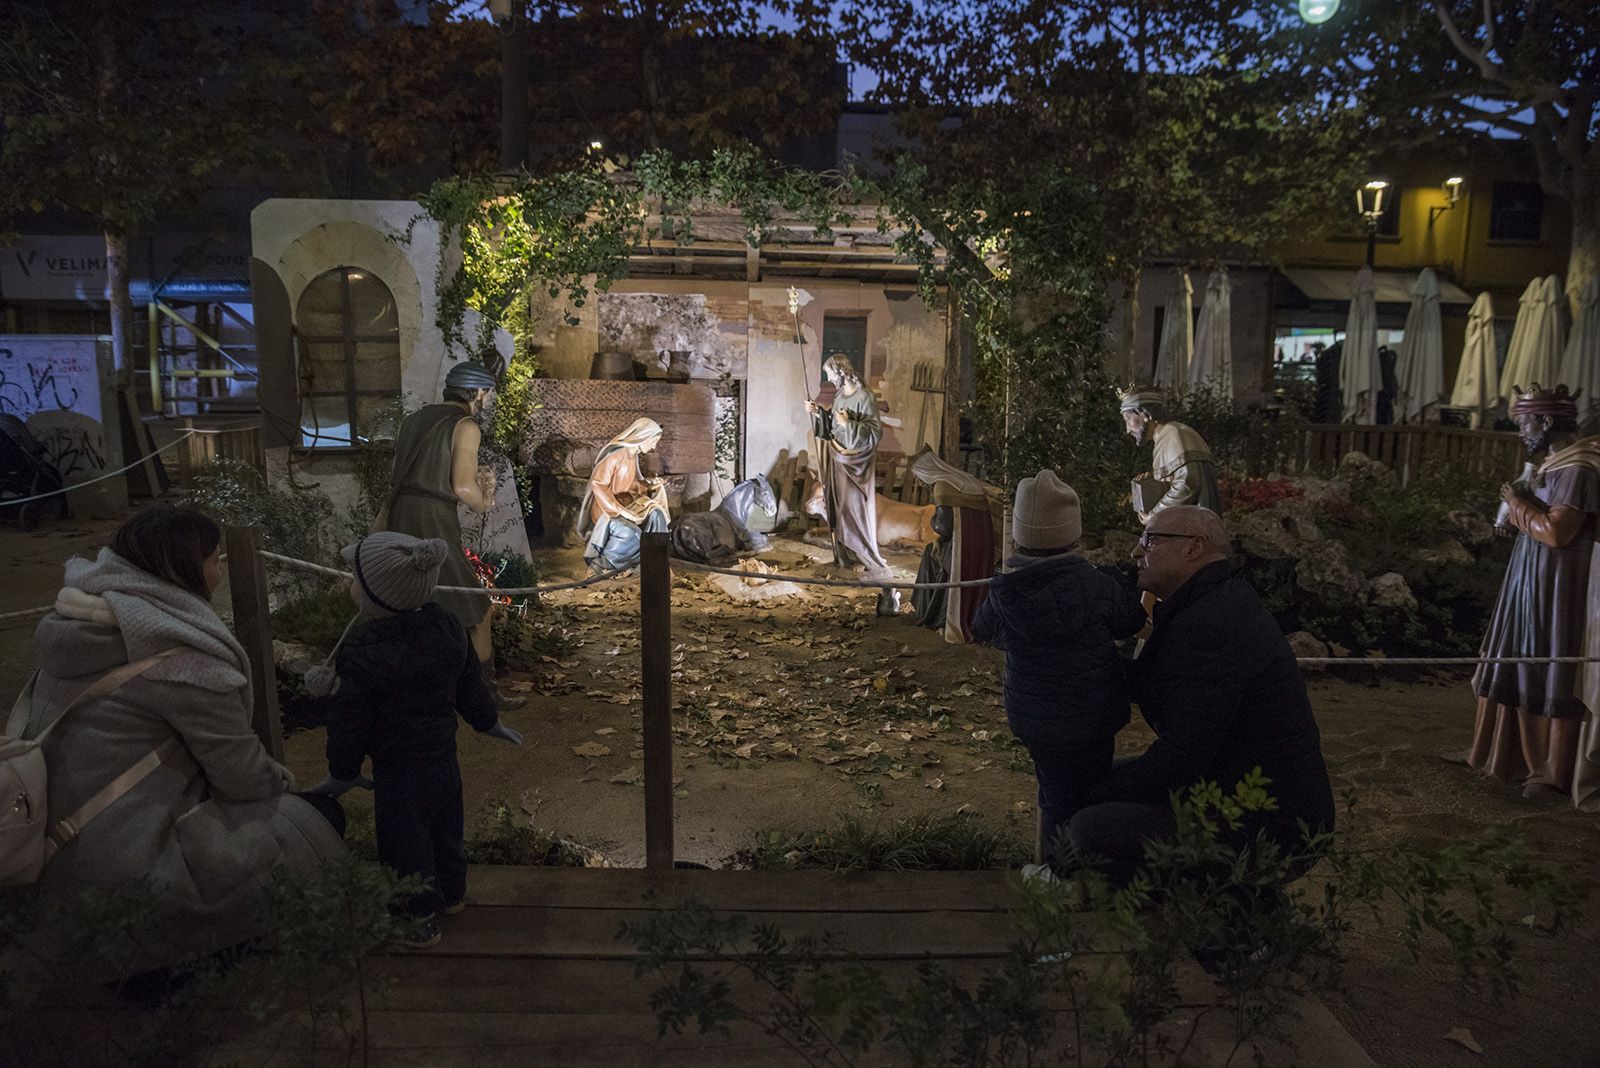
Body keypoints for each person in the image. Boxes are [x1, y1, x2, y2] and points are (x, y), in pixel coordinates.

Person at [10, 506, 347, 979]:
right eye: (212, 559)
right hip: (130, 869)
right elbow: (245, 779)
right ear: (180, 569)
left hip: (46, 856)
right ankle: (180, 959)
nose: (220, 569)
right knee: (317, 817)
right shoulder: (179, 659)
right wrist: (287, 783)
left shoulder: (74, 628)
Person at [1069, 506, 1335, 888]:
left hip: (1270, 825)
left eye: (1149, 539)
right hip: (1232, 789)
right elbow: (1154, 683)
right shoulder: (1205, 603)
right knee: (1091, 787)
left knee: (1091, 826)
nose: (1135, 551)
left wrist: (1097, 793)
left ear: (1193, 548)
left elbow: (1183, 754)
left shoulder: (1213, 622)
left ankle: (1223, 906)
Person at [308, 532, 524, 949]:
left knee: (404, 842)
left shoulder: (362, 650)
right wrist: (486, 721)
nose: (351, 584)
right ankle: (452, 894)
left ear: (378, 593)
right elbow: (469, 683)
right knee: (446, 828)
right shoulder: (447, 627)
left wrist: (343, 771)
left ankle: (416, 917)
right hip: (444, 757)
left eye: (355, 578)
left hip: (397, 768)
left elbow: (349, 719)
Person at [971, 470, 1146, 864]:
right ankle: (1091, 869)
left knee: (1055, 796)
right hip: (1094, 713)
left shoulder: (1006, 593)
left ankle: (1058, 873)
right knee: (1095, 787)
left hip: (1037, 720)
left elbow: (982, 629)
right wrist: (1122, 583)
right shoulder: (1094, 584)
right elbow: (1130, 621)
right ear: (1073, 534)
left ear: (1019, 536)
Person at [1468, 385, 1600, 807]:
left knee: (1549, 662)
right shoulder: (1554, 464)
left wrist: (1516, 504)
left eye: (1525, 423)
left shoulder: (1578, 468)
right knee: (1520, 656)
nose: (1521, 432)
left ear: (1545, 421)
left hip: (1558, 584)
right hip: (1533, 577)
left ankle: (1548, 768)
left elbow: (1558, 532)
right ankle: (1507, 755)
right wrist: (1520, 510)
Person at [380, 359, 521, 710]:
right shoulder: (465, 424)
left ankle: (422, 692)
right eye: (488, 393)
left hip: (400, 514)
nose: (489, 400)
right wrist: (484, 501)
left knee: (413, 605)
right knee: (476, 607)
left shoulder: (414, 420)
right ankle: (482, 696)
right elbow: (462, 486)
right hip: (433, 519)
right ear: (477, 393)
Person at [806, 353, 899, 616]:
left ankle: (864, 556)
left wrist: (849, 424)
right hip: (838, 458)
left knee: (853, 509)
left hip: (857, 464)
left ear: (840, 371)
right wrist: (819, 413)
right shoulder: (840, 396)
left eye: (829, 373)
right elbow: (834, 426)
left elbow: (874, 433)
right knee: (838, 507)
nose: (828, 378)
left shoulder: (865, 396)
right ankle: (845, 557)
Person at [907, 447, 998, 642]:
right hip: (977, 543)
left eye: (919, 477)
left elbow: (944, 526)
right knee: (932, 550)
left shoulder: (942, 485)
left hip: (963, 548)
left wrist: (933, 523)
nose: (920, 482)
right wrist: (940, 539)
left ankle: (934, 613)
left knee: (930, 555)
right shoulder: (958, 479)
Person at [576, 416, 671, 573]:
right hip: (608, 510)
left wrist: (650, 485)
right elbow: (598, 484)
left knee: (657, 514)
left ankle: (654, 560)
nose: (654, 447)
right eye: (653, 441)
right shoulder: (615, 455)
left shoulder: (633, 456)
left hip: (627, 504)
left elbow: (632, 485)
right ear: (642, 436)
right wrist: (622, 511)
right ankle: (600, 566)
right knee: (632, 533)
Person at [1117, 386, 1222, 520]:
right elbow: (1178, 480)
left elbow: (1186, 485)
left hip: (1191, 525)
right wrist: (1153, 483)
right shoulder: (1166, 437)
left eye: (1128, 419)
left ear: (1144, 414)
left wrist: (1154, 515)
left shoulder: (1174, 434)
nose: (1128, 430)